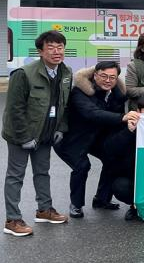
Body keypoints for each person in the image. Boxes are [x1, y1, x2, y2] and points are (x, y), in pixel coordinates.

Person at [3, 31, 72, 236]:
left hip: (46, 133)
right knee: (15, 176)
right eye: (50, 47)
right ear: (40, 51)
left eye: (60, 47)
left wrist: (61, 128)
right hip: (20, 134)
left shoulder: (66, 72)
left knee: (42, 172)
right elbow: (14, 109)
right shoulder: (24, 74)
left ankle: (44, 210)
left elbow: (65, 104)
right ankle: (12, 220)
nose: (56, 51)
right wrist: (24, 137)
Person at [55, 61, 134, 218]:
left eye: (112, 77)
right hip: (72, 139)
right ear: (95, 75)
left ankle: (101, 199)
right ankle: (76, 205)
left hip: (95, 138)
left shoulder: (117, 94)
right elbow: (92, 113)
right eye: (103, 76)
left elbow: (114, 124)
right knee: (82, 166)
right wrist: (122, 117)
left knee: (113, 158)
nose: (107, 80)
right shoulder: (80, 91)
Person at [100, 94, 144, 221]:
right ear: (139, 111)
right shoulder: (128, 125)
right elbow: (109, 149)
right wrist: (129, 131)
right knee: (120, 186)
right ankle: (135, 207)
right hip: (136, 176)